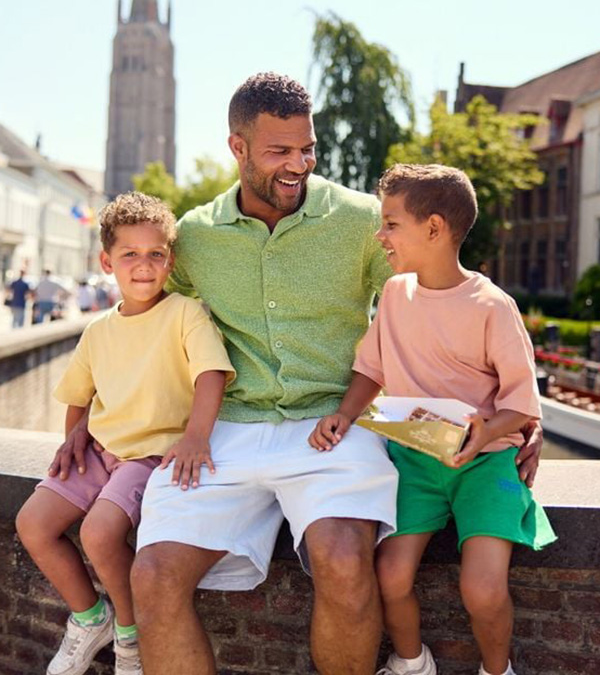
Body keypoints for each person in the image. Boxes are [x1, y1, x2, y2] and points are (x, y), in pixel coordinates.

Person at [50, 74, 543, 675]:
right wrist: (88, 418)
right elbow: (142, 320)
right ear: (237, 147)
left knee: (343, 557)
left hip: (336, 424)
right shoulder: (196, 237)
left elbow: (441, 300)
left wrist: (511, 419)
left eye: (306, 148)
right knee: (151, 575)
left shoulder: (365, 222)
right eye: (279, 151)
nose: (298, 164)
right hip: (226, 432)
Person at [309, 164, 556, 675]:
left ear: (435, 228)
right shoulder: (395, 296)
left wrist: (488, 431)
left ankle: (497, 670)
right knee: (391, 577)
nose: (381, 235)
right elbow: (370, 370)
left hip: (484, 465)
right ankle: (411, 662)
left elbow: (521, 402)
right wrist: (343, 415)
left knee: (482, 590)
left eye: (391, 223)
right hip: (413, 459)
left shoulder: (493, 307)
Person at [16, 193, 235, 675]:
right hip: (99, 449)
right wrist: (73, 434)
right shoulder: (97, 330)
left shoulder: (184, 312)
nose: (143, 265)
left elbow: (211, 375)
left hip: (151, 455)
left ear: (170, 261)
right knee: (32, 523)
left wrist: (197, 436)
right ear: (106, 261)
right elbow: (79, 392)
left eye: (155, 254)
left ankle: (130, 634)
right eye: (129, 254)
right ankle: (90, 617)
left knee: (98, 532)